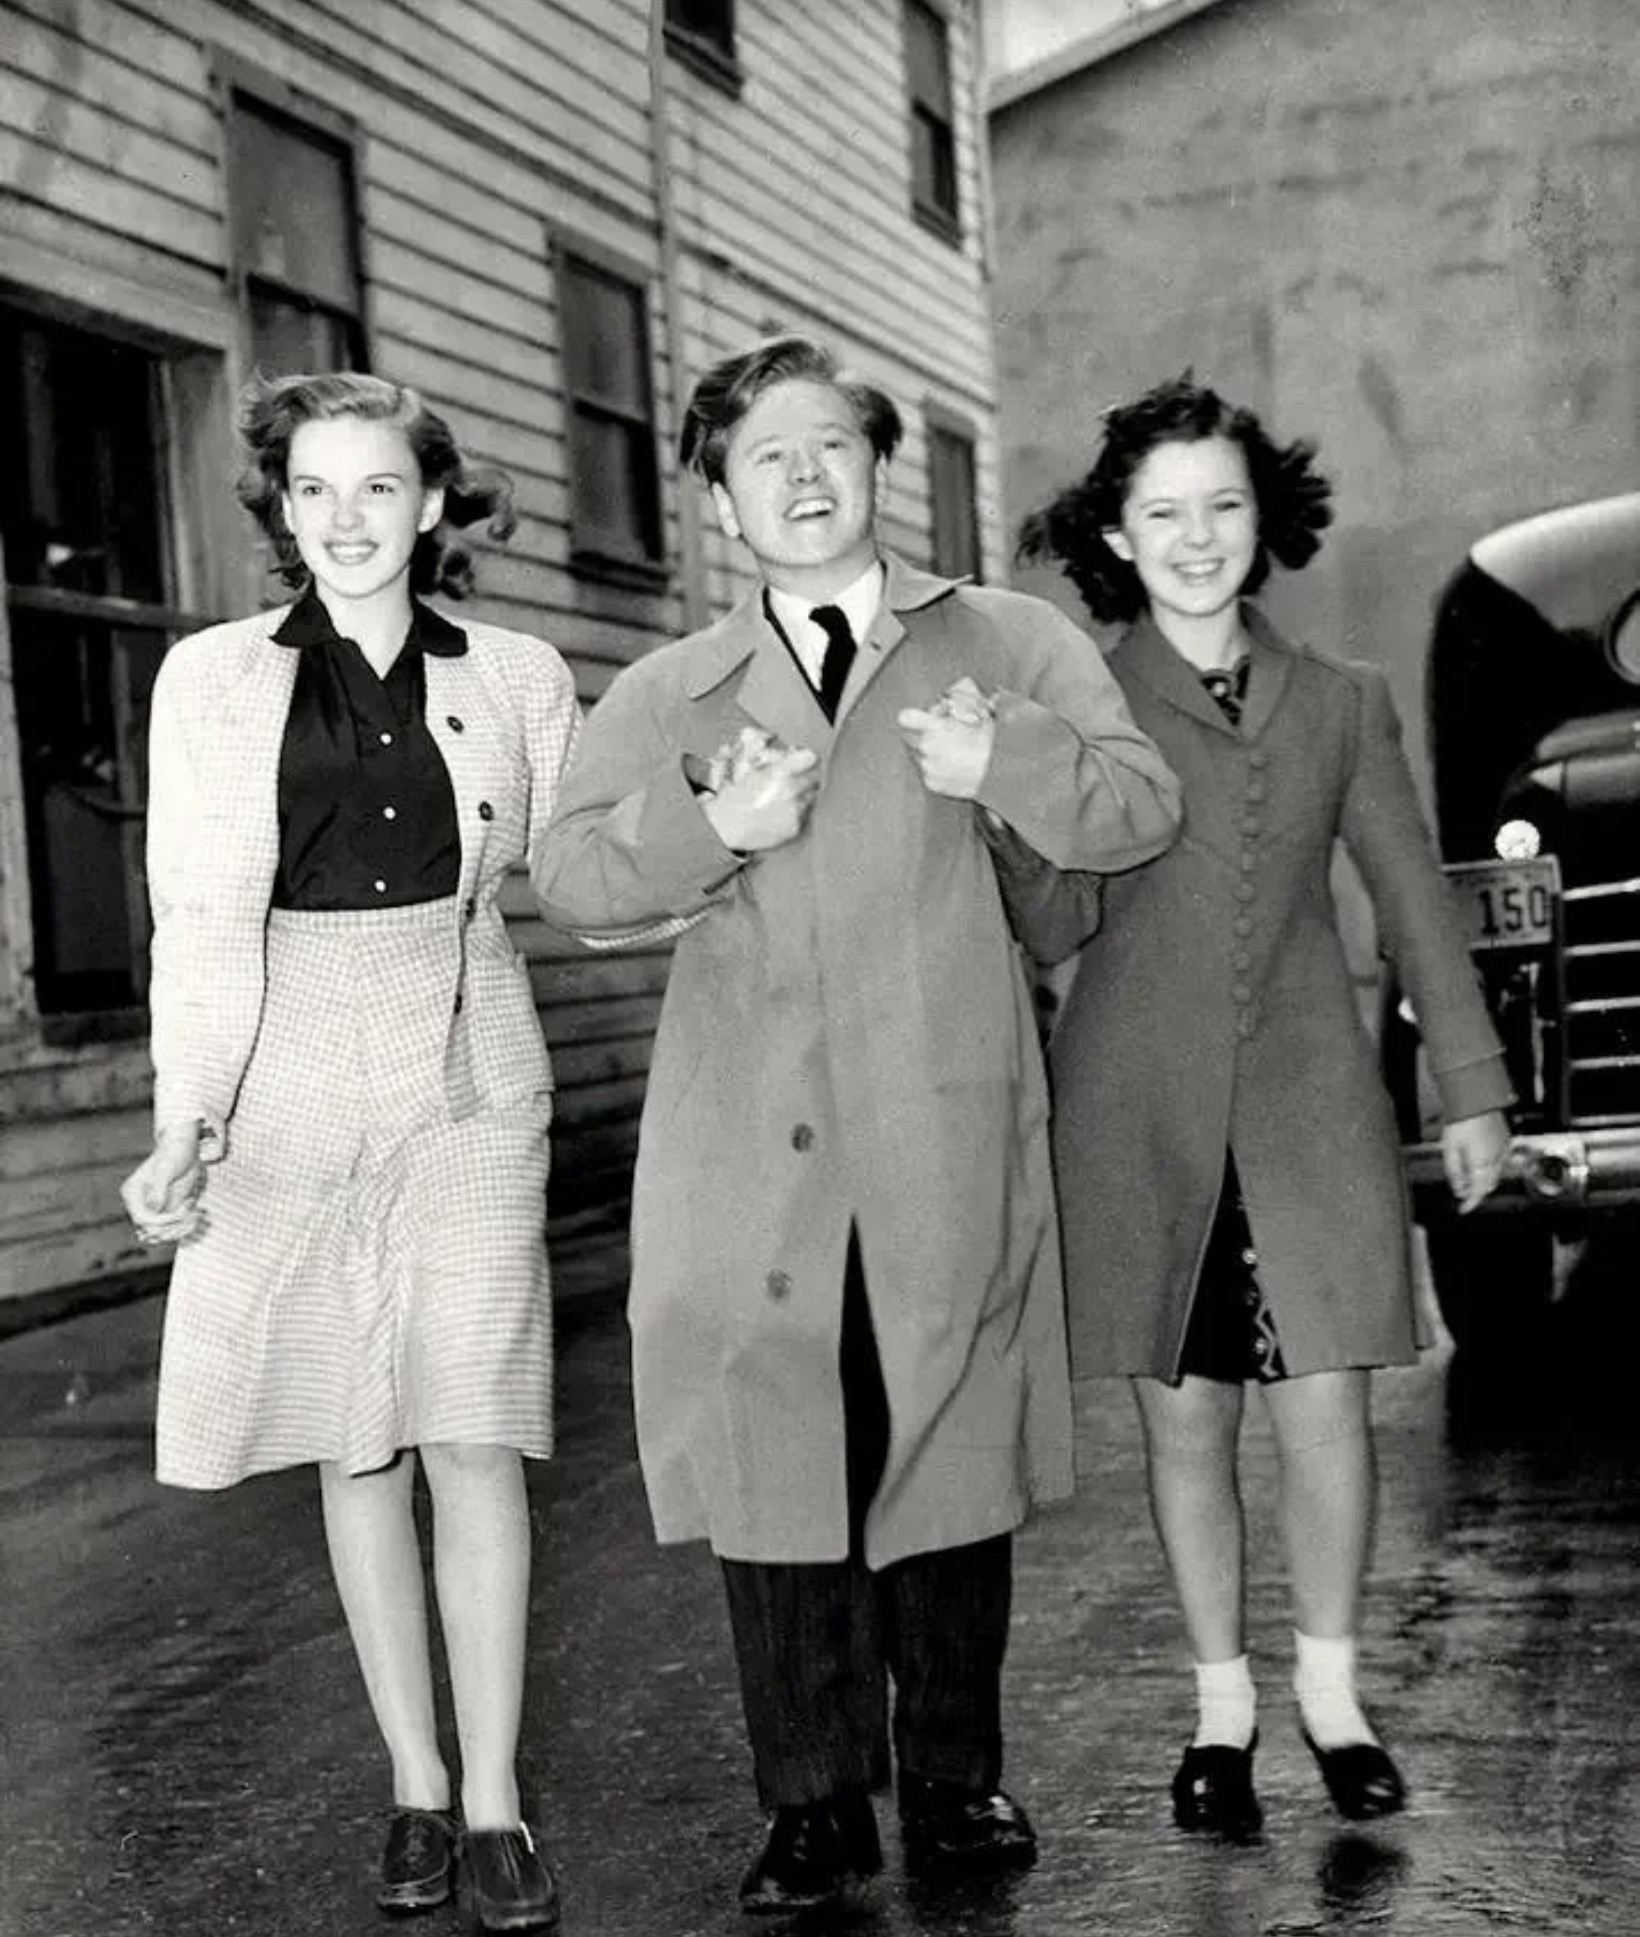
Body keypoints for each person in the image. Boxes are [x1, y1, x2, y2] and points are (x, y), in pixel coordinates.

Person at [534, 334, 1181, 1915]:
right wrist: (713, 818)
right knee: (774, 1447)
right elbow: (569, 873)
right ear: (720, 503)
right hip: (749, 1143)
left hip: (940, 1116)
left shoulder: (1007, 640)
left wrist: (1002, 755)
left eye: (830, 443)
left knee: (942, 1429)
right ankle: (811, 1802)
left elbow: (1139, 804)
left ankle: (955, 1780)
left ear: (877, 464)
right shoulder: (670, 691)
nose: (803, 477)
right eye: (765, 457)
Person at [1018, 375, 1514, 1840]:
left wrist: (1473, 1088)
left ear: (1264, 518)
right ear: (1117, 534)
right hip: (1134, 1111)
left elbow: (1414, 898)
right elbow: (1051, 922)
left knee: (1329, 1409)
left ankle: (1336, 1704)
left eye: (1223, 505)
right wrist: (1009, 791)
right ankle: (1220, 1714)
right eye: (1163, 512)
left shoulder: (1342, 698)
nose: (1197, 537)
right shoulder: (1076, 700)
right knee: (1186, 1429)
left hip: (1311, 1103)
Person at [120, 371, 575, 1932]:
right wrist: (187, 1113)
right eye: (313, 489)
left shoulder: (516, 673)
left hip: (467, 1065)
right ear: (282, 509)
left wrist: (728, 835)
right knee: (354, 1433)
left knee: (474, 1429)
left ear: (431, 503)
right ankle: (417, 1786)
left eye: (378, 486)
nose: (346, 517)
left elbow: (585, 872)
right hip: (288, 1074)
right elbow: (196, 917)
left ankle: (497, 1803)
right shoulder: (210, 679)